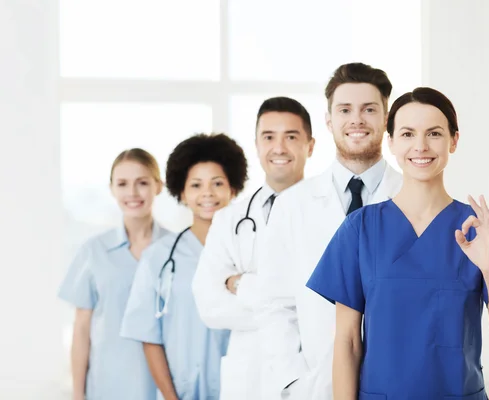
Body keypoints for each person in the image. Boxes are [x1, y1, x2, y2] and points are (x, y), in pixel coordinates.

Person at [306, 87, 489, 399]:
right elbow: (347, 342)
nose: (421, 146)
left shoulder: (480, 227)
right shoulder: (361, 229)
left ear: (454, 140)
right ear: (392, 143)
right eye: (408, 134)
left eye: (435, 133)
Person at [257, 63, 403, 400]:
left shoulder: (412, 198)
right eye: (345, 110)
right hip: (316, 387)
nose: (357, 120)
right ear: (328, 121)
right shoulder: (293, 205)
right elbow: (274, 305)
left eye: (369, 109)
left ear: (386, 119)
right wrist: (294, 381)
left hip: (399, 384)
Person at [192, 97, 315, 400]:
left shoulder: (330, 214)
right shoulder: (229, 219)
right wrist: (293, 308)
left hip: (310, 372)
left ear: (310, 146)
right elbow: (209, 305)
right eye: (269, 137)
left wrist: (241, 283)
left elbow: (329, 304)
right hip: (247, 376)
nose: (279, 147)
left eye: (291, 137)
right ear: (257, 145)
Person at [120, 133, 248, 400]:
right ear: (182, 192)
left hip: (243, 388)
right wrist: (171, 397)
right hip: (180, 392)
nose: (207, 194)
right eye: (196, 185)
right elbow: (149, 336)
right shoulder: (158, 257)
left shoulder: (249, 252)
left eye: (217, 183)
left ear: (232, 189)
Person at [58, 148, 169, 400]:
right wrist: (78, 395)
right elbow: (81, 329)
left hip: (163, 388)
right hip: (107, 386)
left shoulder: (176, 249)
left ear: (158, 186)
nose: (132, 192)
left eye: (142, 183)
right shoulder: (93, 251)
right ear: (112, 189)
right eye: (122, 184)